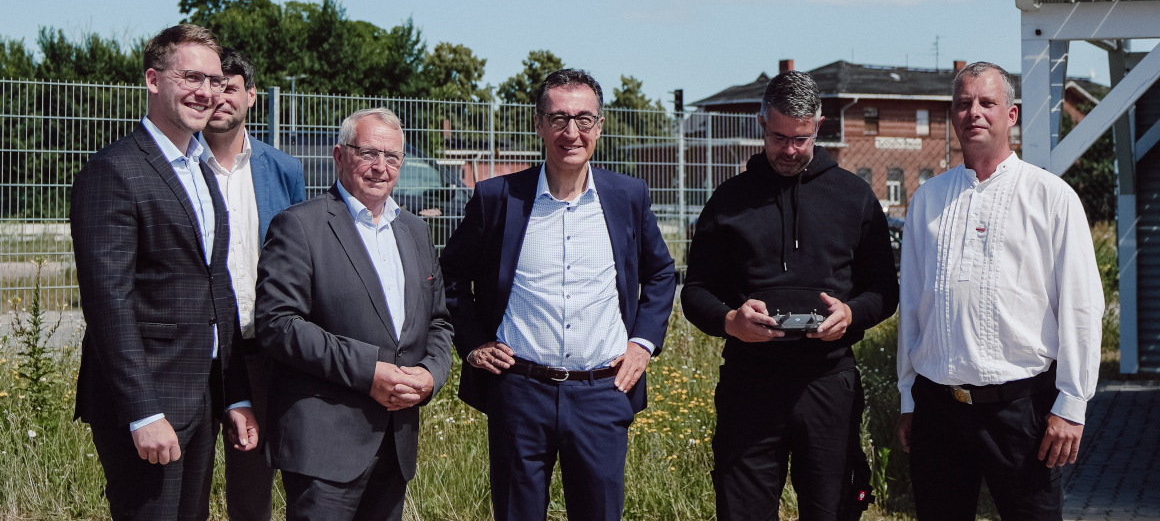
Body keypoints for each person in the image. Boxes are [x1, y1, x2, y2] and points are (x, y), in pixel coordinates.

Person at [440, 68, 676, 521]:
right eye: (559, 119)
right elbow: (450, 275)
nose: (572, 132)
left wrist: (642, 344)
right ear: (539, 124)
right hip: (518, 392)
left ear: (600, 126)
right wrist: (471, 344)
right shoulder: (497, 198)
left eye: (584, 119)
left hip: (602, 393)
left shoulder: (628, 196)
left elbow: (662, 273)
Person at [682, 70, 899, 521]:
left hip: (828, 381)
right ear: (762, 123)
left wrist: (852, 313)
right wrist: (731, 322)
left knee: (832, 508)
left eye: (800, 138)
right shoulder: (727, 201)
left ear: (818, 125)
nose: (790, 150)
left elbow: (884, 289)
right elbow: (696, 292)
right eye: (779, 137)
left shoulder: (854, 197)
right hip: (750, 383)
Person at [896, 61, 1104, 520]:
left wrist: (1071, 404)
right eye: (963, 103)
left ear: (1010, 115)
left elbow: (1081, 306)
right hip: (938, 407)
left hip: (1020, 412)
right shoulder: (928, 200)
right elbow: (912, 304)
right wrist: (908, 396)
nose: (974, 113)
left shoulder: (1050, 197)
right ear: (952, 115)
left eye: (987, 103)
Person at [70, 24, 258, 520]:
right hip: (147, 405)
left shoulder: (199, 167)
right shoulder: (113, 172)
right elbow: (108, 302)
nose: (206, 92)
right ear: (154, 80)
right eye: (191, 77)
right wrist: (143, 411)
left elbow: (217, 286)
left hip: (200, 397)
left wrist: (234, 392)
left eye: (216, 80)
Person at [255, 107, 453, 521]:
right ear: (339, 156)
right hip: (325, 447)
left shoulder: (414, 231)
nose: (381, 167)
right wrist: (370, 371)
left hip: (396, 440)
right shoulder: (299, 226)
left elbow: (437, 320)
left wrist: (432, 373)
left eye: (393, 157)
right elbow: (278, 325)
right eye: (368, 153)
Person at [199, 47, 306, 521]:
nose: (219, 96)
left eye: (230, 86)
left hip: (258, 348)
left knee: (251, 481)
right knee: (186, 479)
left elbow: (301, 258)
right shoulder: (179, 164)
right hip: (194, 350)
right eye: (211, 84)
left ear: (252, 96)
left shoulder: (283, 169)